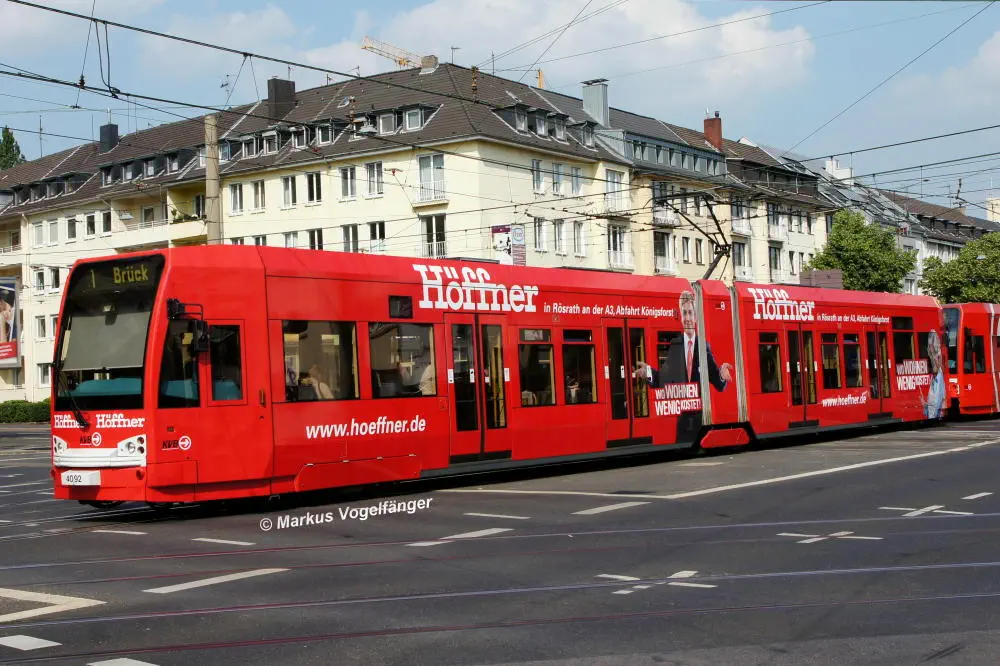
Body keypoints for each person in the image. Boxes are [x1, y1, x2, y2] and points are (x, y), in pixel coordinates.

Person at [633, 290, 733, 443]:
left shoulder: (703, 346)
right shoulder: (676, 345)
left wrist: (721, 374)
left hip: (700, 420)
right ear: (681, 316)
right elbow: (664, 379)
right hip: (682, 421)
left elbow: (717, 382)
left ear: (695, 317)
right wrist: (648, 372)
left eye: (690, 313)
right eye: (684, 313)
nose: (687, 318)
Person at [922, 330, 945, 419]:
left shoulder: (939, 377)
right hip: (932, 411)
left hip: (934, 413)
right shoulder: (934, 376)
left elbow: (936, 403)